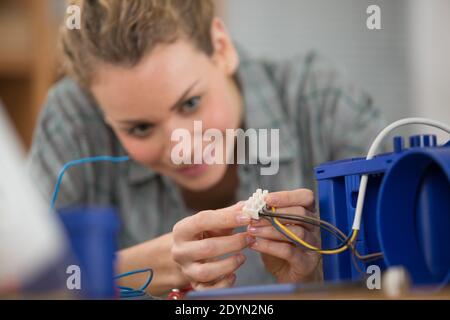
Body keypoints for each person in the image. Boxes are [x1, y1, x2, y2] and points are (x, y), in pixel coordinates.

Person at [28, 0, 384, 296]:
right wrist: (140, 267)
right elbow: (24, 282)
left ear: (222, 48)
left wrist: (317, 281)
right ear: (97, 109)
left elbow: (416, 269)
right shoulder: (73, 121)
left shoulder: (318, 100)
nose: (182, 145)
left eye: (190, 103)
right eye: (140, 127)